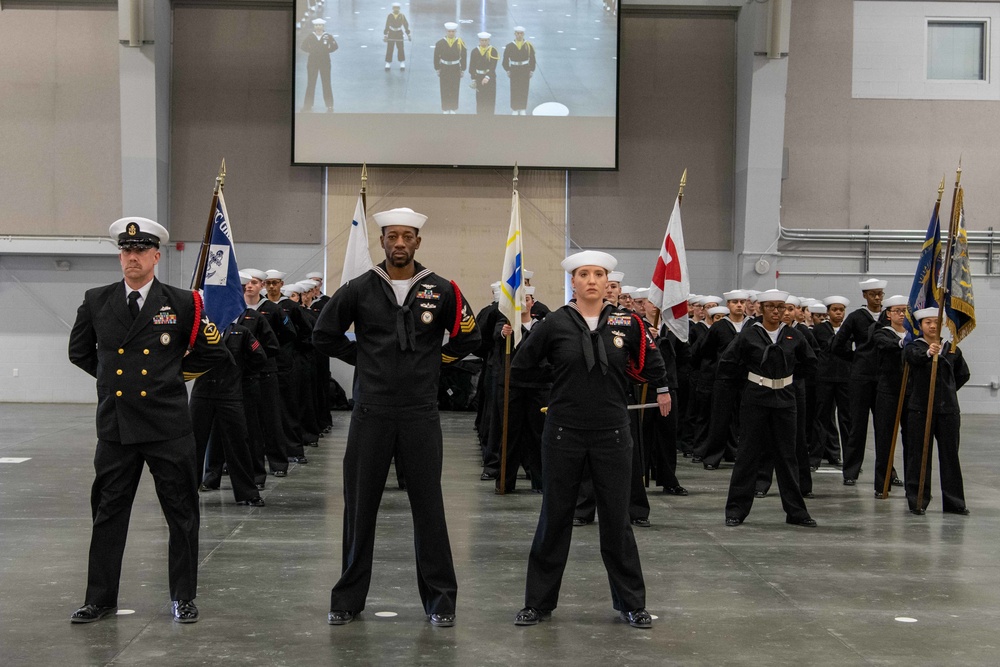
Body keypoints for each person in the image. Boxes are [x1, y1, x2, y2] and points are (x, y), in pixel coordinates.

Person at [313, 207, 481, 628]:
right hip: (371, 413)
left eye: (408, 236)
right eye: (392, 236)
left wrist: (433, 361)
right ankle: (347, 599)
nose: (400, 243)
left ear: (418, 242)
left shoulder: (441, 289)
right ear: (383, 241)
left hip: (420, 414)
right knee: (359, 507)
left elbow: (470, 337)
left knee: (429, 507)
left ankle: (441, 600)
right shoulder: (359, 288)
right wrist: (365, 360)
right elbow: (323, 333)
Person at [67, 216, 229, 624]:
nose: (131, 258)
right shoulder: (96, 299)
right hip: (117, 427)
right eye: (125, 251)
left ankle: (183, 597)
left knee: (181, 513)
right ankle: (99, 599)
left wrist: (170, 378)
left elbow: (214, 353)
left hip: (167, 426)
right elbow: (81, 352)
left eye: (139, 251)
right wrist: (110, 386)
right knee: (108, 514)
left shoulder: (183, 302)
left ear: (156, 256)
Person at [512, 250, 670, 630]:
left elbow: (650, 363)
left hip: (613, 433)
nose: (593, 280)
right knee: (555, 518)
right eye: (584, 274)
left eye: (599, 274)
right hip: (564, 432)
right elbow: (521, 365)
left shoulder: (626, 322)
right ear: (574, 282)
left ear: (607, 281)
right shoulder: (553, 323)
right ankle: (538, 603)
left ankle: (631, 603)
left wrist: (657, 384)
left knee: (617, 522)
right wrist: (557, 389)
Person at [717, 289, 818, 528]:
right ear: (761, 309)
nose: (777, 311)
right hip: (756, 399)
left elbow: (811, 364)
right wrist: (747, 384)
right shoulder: (749, 335)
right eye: (771, 306)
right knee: (747, 454)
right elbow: (728, 364)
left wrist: (788, 379)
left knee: (787, 456)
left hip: (785, 400)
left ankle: (796, 512)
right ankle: (736, 510)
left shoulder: (794, 335)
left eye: (781, 307)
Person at [903, 308, 970, 515]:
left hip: (948, 410)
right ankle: (917, 500)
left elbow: (963, 374)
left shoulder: (952, 349)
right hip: (920, 410)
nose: (932, 326)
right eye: (927, 323)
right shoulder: (914, 347)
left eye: (936, 322)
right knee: (918, 455)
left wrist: (947, 392)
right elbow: (913, 359)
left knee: (950, 456)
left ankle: (954, 502)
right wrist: (928, 353)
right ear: (921, 326)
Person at [832, 279, 889, 486]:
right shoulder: (856, 318)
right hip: (860, 378)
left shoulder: (888, 316)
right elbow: (837, 344)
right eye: (873, 294)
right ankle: (851, 471)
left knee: (884, 427)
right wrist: (856, 358)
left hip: (884, 378)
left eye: (880, 294)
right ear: (865, 295)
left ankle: (888, 471)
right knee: (857, 426)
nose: (877, 298)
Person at [871, 295, 908, 497]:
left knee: (912, 440)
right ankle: (882, 484)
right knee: (884, 438)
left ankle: (911, 485)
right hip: (888, 391)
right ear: (888, 314)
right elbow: (886, 345)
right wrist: (904, 343)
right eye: (897, 311)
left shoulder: (915, 333)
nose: (901, 314)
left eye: (905, 311)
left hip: (910, 392)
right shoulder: (881, 332)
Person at [301, 18, 338, 112]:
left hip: (325, 62)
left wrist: (326, 51)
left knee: (326, 83)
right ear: (314, 26)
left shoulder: (328, 36)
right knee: (311, 83)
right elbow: (303, 46)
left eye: (320, 25)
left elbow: (335, 46)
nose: (318, 27)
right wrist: (312, 51)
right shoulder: (310, 36)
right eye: (317, 25)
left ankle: (329, 105)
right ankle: (308, 105)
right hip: (312, 62)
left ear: (323, 26)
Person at [434, 23, 467, 114]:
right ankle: (445, 108)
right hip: (444, 67)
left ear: (455, 32)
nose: (451, 33)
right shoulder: (440, 43)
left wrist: (463, 69)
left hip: (455, 68)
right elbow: (436, 56)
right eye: (449, 31)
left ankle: (453, 108)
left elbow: (464, 56)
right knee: (444, 87)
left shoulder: (460, 43)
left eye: (453, 31)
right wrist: (437, 68)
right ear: (446, 32)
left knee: (454, 87)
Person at [502, 27, 536, 115]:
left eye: (521, 33)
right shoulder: (509, 46)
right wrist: (508, 70)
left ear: (523, 34)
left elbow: (532, 59)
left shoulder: (528, 46)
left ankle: (522, 108)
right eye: (517, 33)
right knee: (514, 88)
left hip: (525, 69)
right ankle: (515, 108)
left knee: (524, 88)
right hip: (514, 69)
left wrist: (531, 70)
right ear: (515, 34)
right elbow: (505, 60)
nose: (519, 35)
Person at [470, 32, 499, 115]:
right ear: (479, 40)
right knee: (480, 99)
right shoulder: (475, 51)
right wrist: (473, 79)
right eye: (482, 40)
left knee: (490, 99)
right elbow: (472, 67)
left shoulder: (493, 51)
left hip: (490, 78)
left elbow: (493, 66)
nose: (484, 42)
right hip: (479, 78)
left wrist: (487, 77)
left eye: (486, 40)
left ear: (488, 40)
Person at [383, 3, 410, 71]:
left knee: (400, 48)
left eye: (397, 8)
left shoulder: (402, 16)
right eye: (395, 7)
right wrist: (385, 35)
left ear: (399, 8)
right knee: (390, 48)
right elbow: (387, 25)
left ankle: (402, 62)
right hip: (391, 33)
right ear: (393, 8)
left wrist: (408, 34)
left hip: (399, 33)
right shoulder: (390, 15)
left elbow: (406, 25)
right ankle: (388, 63)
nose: (396, 9)